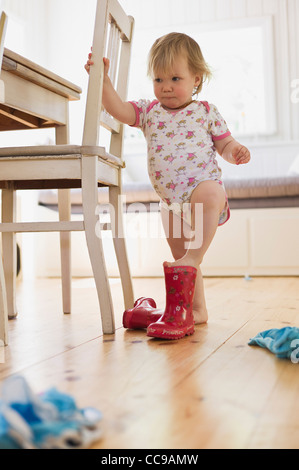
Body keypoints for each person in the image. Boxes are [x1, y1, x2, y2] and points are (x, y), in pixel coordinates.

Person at [85, 32, 250, 340]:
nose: (166, 87)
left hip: (202, 191)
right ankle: (196, 309)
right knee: (181, 260)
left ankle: (194, 259)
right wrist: (104, 80)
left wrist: (234, 151)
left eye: (175, 78)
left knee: (206, 204)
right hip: (170, 202)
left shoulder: (206, 112)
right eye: (158, 79)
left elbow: (224, 143)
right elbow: (119, 109)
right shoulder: (149, 111)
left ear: (196, 79)